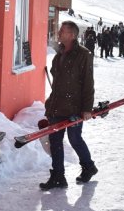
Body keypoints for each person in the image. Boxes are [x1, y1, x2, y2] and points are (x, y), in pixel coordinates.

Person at [41, 21, 97, 190]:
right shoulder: (59, 54)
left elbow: (88, 82)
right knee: (55, 141)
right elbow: (57, 80)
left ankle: (88, 166)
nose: (59, 33)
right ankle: (58, 176)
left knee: (74, 138)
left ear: (72, 35)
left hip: (74, 107)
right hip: (57, 106)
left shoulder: (83, 55)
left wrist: (87, 108)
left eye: (62, 31)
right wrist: (50, 106)